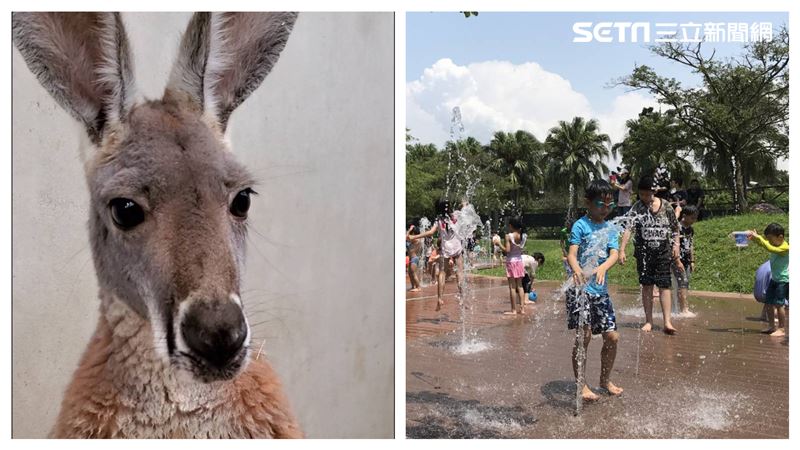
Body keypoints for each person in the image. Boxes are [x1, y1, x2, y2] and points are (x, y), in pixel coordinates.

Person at [566, 179, 623, 401]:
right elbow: (572, 254)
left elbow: (614, 254)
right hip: (580, 291)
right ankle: (581, 384)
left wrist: (603, 267)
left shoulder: (610, 228)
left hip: (600, 292)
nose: (605, 209)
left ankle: (604, 379)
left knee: (612, 337)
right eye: (601, 204)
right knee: (585, 336)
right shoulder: (580, 225)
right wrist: (577, 270)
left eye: (610, 205)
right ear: (588, 203)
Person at [620, 176, 680, 334]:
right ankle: (649, 321)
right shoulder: (637, 207)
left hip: (663, 251)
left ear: (654, 191)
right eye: (641, 194)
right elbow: (628, 228)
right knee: (647, 286)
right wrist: (622, 250)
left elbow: (675, 228)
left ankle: (667, 322)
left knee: (664, 285)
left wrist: (676, 245)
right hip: (644, 253)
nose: (645, 197)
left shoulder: (666, 206)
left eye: (647, 194)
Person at [407, 199, 465, 311]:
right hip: (457, 246)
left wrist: (414, 236)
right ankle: (462, 297)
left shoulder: (439, 220)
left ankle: (440, 298)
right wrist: (463, 204)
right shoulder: (456, 216)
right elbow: (464, 210)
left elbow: (430, 232)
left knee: (442, 273)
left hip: (446, 248)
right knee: (460, 272)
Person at [747, 223, 789, 337]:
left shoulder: (785, 247)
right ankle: (771, 326)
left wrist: (759, 237)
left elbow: (769, 247)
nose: (769, 241)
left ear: (780, 237)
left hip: (783, 281)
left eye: (770, 239)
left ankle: (782, 329)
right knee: (769, 302)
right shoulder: (775, 244)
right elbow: (765, 245)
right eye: (768, 239)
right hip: (774, 279)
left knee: (779, 305)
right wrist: (755, 238)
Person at [671, 205, 698, 316]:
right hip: (677, 259)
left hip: (686, 260)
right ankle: (684, 310)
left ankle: (679, 309)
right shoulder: (677, 227)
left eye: (695, 218)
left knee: (684, 284)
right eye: (692, 218)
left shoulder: (690, 229)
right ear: (685, 216)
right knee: (682, 282)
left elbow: (691, 245)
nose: (694, 220)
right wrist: (677, 260)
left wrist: (692, 261)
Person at [504, 218, 527, 315]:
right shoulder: (524, 236)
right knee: (520, 286)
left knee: (512, 287)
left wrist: (499, 244)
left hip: (511, 262)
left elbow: (507, 251)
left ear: (511, 225)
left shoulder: (509, 236)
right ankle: (522, 309)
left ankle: (513, 310)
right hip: (519, 261)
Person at [406, 222, 422, 292]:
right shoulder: (414, 239)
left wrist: (409, 230)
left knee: (413, 273)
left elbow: (406, 237)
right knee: (410, 273)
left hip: (414, 258)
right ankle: (413, 286)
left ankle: (418, 287)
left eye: (411, 232)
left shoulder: (416, 239)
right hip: (411, 258)